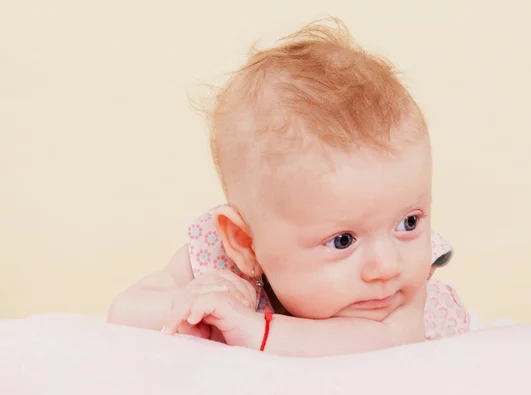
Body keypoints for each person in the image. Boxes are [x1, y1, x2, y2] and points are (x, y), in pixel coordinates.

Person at [107, 17, 470, 357]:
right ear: (244, 243)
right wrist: (186, 303)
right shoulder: (222, 261)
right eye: (343, 240)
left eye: (409, 222)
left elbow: (386, 341)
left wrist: (257, 331)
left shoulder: (399, 301)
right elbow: (123, 311)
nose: (387, 266)